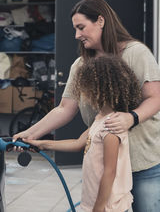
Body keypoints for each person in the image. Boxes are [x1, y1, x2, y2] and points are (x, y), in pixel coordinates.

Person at [14, 0, 160, 211]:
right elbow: (64, 109)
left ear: (100, 21)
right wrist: (30, 134)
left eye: (81, 27)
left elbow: (154, 99)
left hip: (145, 161)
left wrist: (130, 117)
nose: (77, 35)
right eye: (75, 29)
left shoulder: (136, 53)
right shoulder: (81, 65)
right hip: (106, 165)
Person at [26, 55, 141, 212]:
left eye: (86, 89)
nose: (83, 95)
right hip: (92, 203)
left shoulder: (111, 127)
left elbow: (110, 172)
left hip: (108, 208)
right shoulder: (100, 118)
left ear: (100, 90)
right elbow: (78, 143)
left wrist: (98, 209)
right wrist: (41, 144)